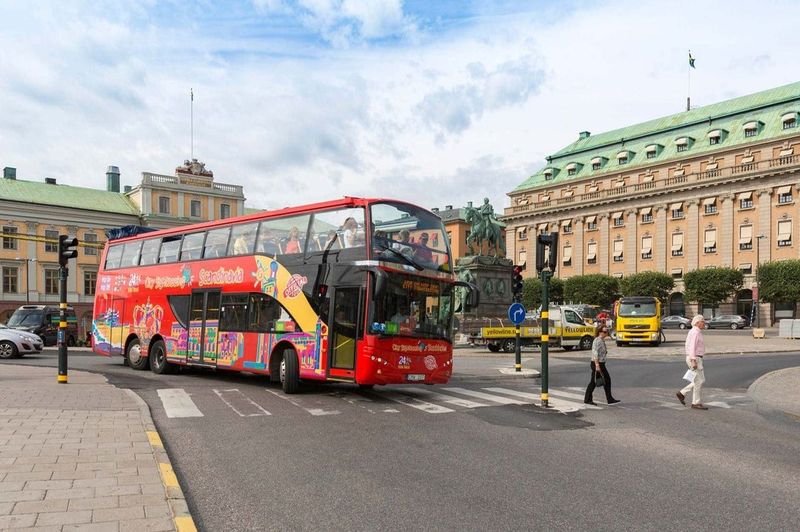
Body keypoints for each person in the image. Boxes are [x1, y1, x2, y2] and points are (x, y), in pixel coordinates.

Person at [584, 325, 620, 406]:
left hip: (600, 363)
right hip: (597, 363)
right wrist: (597, 365)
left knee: (597, 381)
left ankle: (589, 399)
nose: (606, 333)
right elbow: (595, 353)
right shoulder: (598, 341)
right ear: (600, 332)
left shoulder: (601, 340)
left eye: (606, 331)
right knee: (599, 381)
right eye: (604, 332)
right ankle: (607, 399)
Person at [677, 315, 708, 409]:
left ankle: (683, 393)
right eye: (703, 322)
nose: (704, 323)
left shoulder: (696, 331)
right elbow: (692, 347)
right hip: (695, 358)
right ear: (697, 322)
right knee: (699, 380)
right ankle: (695, 402)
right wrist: (693, 360)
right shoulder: (695, 332)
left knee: (699, 380)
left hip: (696, 358)